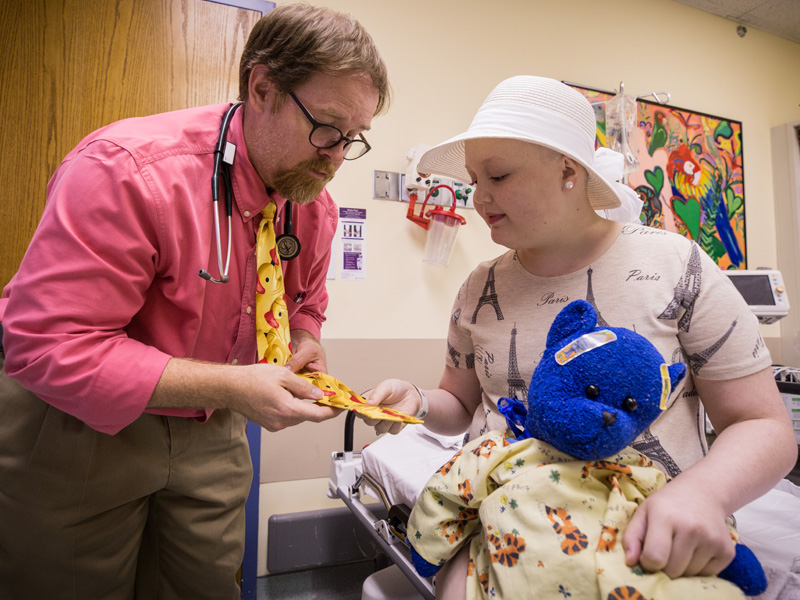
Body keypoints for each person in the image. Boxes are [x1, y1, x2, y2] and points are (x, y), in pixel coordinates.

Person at [0, 4, 389, 598]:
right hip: (77, 428)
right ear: (263, 88)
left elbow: (305, 296)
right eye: (327, 128)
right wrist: (234, 386)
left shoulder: (311, 200)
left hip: (214, 433)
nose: (337, 156)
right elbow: (47, 346)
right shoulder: (126, 171)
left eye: (353, 138)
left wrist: (305, 339)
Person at [364, 75, 796, 598]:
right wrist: (415, 401)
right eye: (476, 178)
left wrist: (701, 493)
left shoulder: (675, 267)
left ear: (569, 170)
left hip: (645, 541)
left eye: (497, 175)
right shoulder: (480, 286)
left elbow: (762, 425)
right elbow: (460, 400)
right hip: (510, 534)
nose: (479, 197)